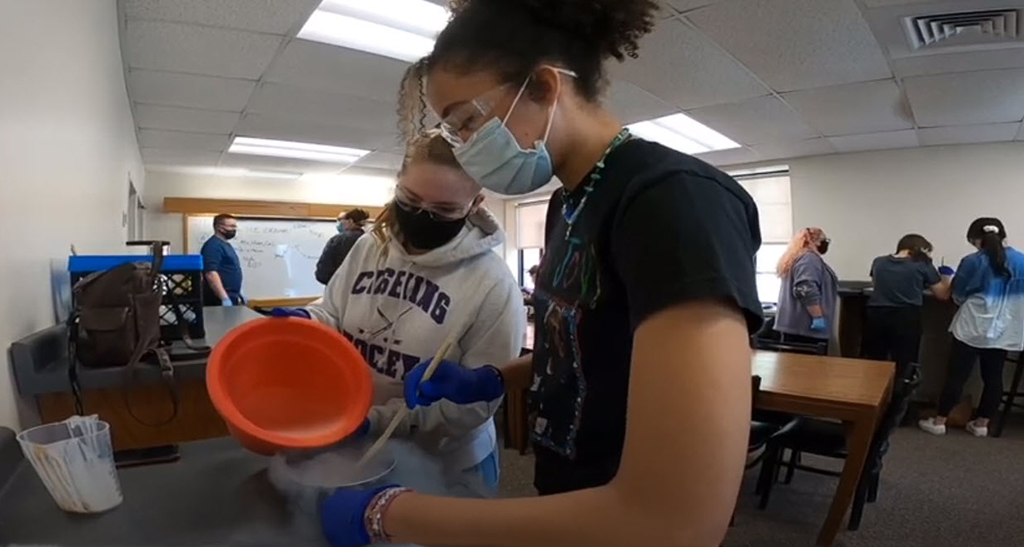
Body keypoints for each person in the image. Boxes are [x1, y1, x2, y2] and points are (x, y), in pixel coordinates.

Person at [318, 1, 764, 546]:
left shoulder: (672, 200)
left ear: (546, 87)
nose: (461, 143)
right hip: (568, 494)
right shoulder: (571, 203)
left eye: (466, 120)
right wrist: (496, 378)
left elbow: (675, 521)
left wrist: (388, 513)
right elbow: (589, 345)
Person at [275, 133, 524, 497]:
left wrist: (374, 421)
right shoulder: (368, 247)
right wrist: (307, 323)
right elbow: (332, 312)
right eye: (410, 200)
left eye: (443, 211)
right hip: (355, 442)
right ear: (397, 185)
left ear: (475, 204)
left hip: (446, 462)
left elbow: (473, 406)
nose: (422, 217)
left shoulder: (493, 284)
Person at [919, 218, 1024, 438]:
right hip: (1004, 329)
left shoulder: (972, 261)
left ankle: (939, 421)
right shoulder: (1021, 261)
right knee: (994, 377)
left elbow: (958, 296)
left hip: (971, 326)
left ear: (976, 239)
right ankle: (982, 424)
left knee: (957, 375)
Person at [862, 234, 952, 375]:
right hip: (905, 317)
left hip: (876, 316)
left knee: (875, 361)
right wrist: (946, 277)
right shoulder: (922, 264)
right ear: (918, 249)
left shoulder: (878, 262)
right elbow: (942, 295)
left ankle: (874, 394)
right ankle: (898, 395)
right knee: (905, 363)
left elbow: (877, 284)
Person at [773, 227, 837, 349]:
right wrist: (818, 317)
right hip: (806, 330)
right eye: (823, 240)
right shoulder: (809, 259)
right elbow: (805, 288)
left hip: (796, 329)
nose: (825, 244)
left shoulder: (797, 258)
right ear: (814, 241)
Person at [316, 209, 371, 284]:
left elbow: (323, 272)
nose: (339, 223)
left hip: (339, 288)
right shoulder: (372, 240)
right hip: (364, 288)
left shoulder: (337, 240)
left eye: (340, 220)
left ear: (350, 221)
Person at [200, 213, 243, 306]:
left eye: (235, 227)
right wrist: (224, 298)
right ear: (219, 227)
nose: (234, 230)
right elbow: (211, 273)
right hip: (218, 298)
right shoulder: (213, 246)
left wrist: (238, 294)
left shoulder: (226, 245)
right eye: (231, 226)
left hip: (231, 295)